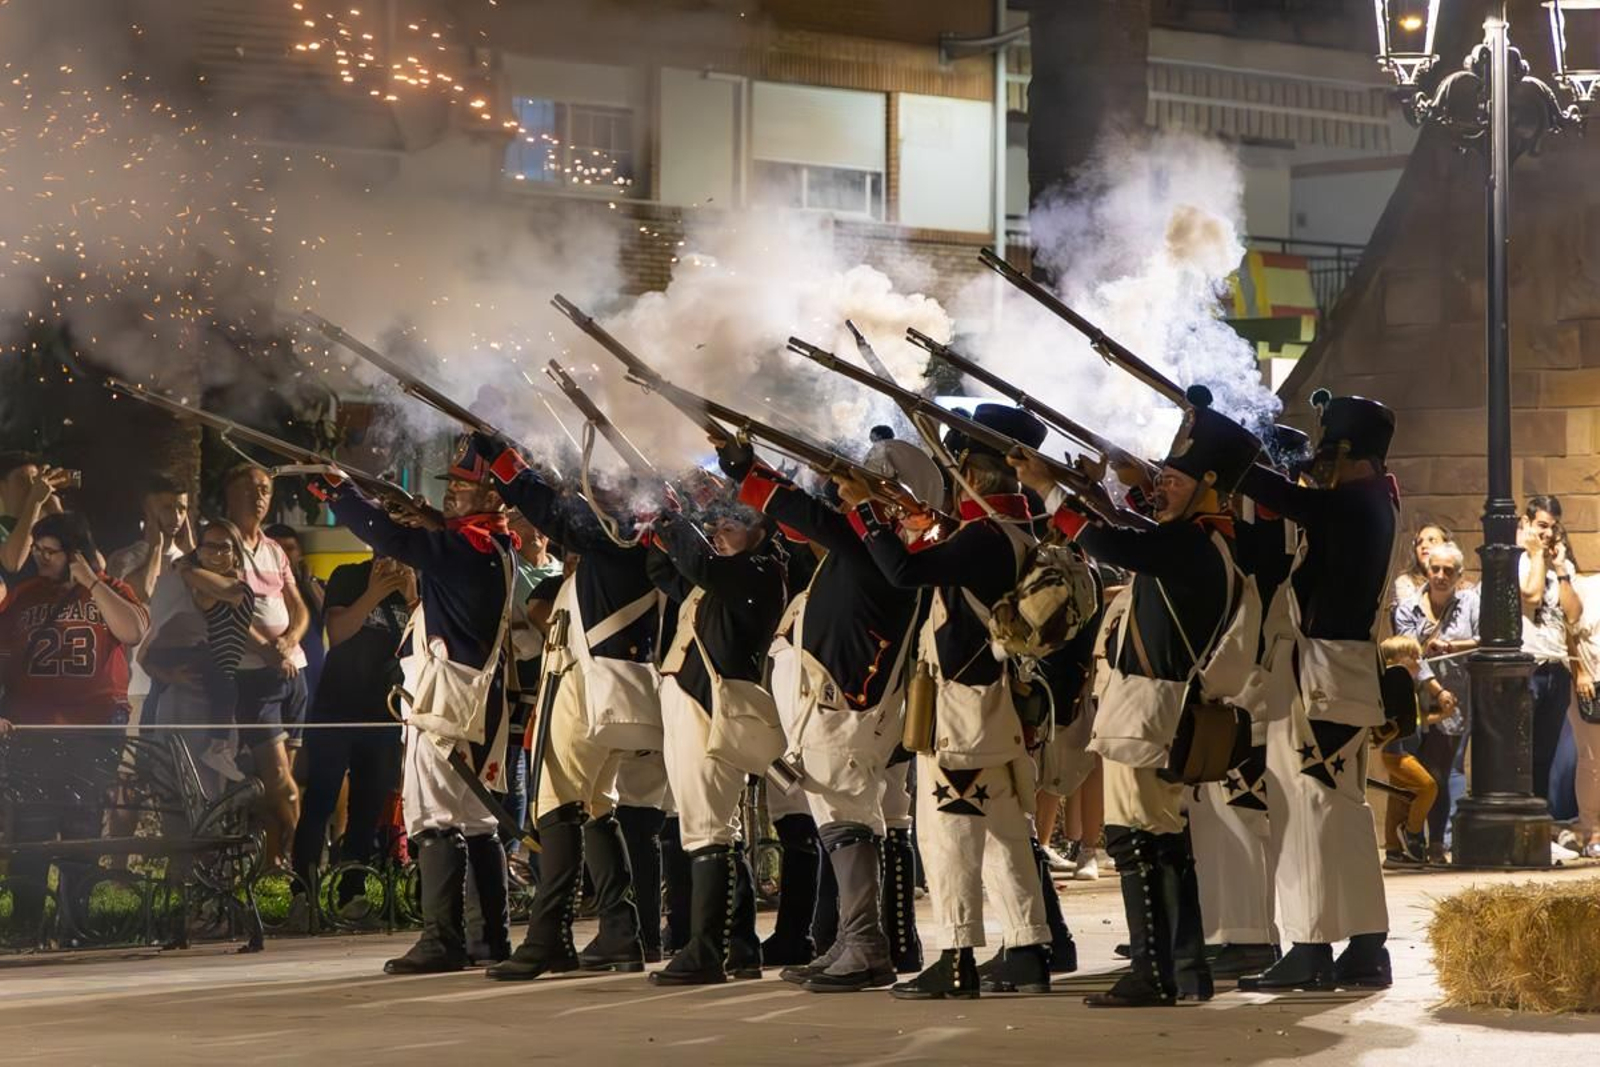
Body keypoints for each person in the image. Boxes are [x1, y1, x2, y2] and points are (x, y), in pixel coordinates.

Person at [1015, 394, 1262, 1008]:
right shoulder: (1202, 541)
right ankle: (1184, 969)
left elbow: (1116, 546)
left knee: (1138, 845)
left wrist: (1050, 490)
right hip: (1155, 710)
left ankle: (1153, 974)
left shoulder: (1192, 544)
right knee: (1160, 842)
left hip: (1150, 711)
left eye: (1172, 480)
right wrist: (1111, 491)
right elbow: (1136, 535)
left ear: (1210, 485)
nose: (1162, 487)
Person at [840, 404, 1053, 1001]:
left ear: (972, 471)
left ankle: (956, 955)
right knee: (1008, 831)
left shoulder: (985, 535)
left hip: (962, 706)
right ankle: (1028, 951)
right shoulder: (1011, 526)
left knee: (947, 833)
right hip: (992, 702)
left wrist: (863, 510)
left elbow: (902, 573)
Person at [715, 433, 928, 992]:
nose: (850, 495)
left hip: (845, 708)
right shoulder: (866, 544)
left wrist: (745, 468)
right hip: (830, 708)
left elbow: (805, 512)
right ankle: (850, 939)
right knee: (839, 823)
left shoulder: (879, 546)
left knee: (846, 822)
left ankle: (864, 944)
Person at [469, 434, 664, 984]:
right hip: (602, 690)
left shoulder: (616, 538)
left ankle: (547, 937)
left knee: (555, 807)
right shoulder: (630, 540)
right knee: (596, 807)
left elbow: (546, 509)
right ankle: (622, 934)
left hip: (585, 691)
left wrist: (502, 460)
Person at [322, 444, 517, 975]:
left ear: (493, 495)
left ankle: (442, 940)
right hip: (475, 694)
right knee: (477, 821)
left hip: (445, 697)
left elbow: (392, 540)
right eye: (450, 484)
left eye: (463, 486)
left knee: (432, 817)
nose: (450, 491)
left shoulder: (467, 548)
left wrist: (339, 493)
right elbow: (420, 534)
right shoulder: (487, 544)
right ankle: (488, 939)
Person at [1236, 390, 1398, 992]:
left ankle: (1307, 946)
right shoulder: (1370, 500)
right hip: (1340, 673)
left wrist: (1222, 453)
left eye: (1328, 454)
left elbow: (1281, 497)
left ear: (1349, 455)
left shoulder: (1355, 504)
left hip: (1322, 675)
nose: (1318, 465)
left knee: (1303, 810)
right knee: (1343, 812)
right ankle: (1365, 946)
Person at [644, 493, 787, 986]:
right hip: (691, 703)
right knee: (712, 829)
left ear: (761, 534)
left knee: (708, 830)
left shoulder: (760, 571)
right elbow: (664, 568)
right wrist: (659, 513)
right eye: (717, 525)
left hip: (711, 706)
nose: (721, 530)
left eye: (733, 525)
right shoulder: (719, 573)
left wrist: (668, 515)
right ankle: (741, 947)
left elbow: (696, 562)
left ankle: (708, 950)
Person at [0, 511, 148, 940]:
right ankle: (26, 924)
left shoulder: (110, 591)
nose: (41, 559)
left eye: (51, 552)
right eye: (38, 551)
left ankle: (76, 923)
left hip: (95, 727)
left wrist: (93, 582)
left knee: (82, 824)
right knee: (32, 827)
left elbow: (133, 630)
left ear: (75, 555)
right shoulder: (25, 596)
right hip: (33, 730)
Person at [289, 552, 414, 918]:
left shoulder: (417, 583)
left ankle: (352, 892)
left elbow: (419, 644)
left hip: (384, 712)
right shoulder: (349, 575)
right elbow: (338, 632)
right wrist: (374, 592)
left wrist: (410, 594)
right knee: (321, 801)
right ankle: (304, 891)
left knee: (367, 808)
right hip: (337, 708)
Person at [221, 465, 310, 868]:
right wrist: (267, 649)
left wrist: (289, 641)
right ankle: (300, 869)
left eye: (265, 490)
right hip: (255, 675)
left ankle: (274, 863)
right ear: (230, 491)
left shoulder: (274, 547)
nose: (259, 497)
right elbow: (225, 608)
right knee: (280, 785)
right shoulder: (222, 541)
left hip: (293, 671)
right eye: (251, 488)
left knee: (286, 781)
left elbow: (298, 605)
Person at [1393, 541, 1477, 861]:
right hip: (1417, 698)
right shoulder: (1406, 608)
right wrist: (1436, 690)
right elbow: (1410, 657)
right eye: (1435, 569)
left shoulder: (1470, 603)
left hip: (1454, 701)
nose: (1440, 575)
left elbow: (1487, 639)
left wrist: (1452, 647)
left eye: (1448, 570)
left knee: (1439, 771)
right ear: (1426, 570)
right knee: (1415, 772)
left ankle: (1436, 844)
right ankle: (1405, 840)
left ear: (1458, 574)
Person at [1519, 495, 1581, 812]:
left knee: (1548, 750)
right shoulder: (1519, 559)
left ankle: (1542, 826)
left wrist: (1560, 569)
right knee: (1524, 751)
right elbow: (1531, 595)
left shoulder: (1561, 565)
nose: (1547, 534)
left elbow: (1573, 613)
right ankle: (1524, 822)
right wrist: (1535, 553)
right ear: (1527, 523)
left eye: (1553, 528)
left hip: (1556, 665)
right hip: (1528, 664)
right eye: (1541, 525)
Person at [1374, 635, 1439, 867]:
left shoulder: (1409, 687)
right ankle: (1412, 832)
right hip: (1396, 752)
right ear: (1392, 662)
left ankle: (1394, 851)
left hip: (1403, 749)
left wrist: (1442, 715)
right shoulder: (1394, 688)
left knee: (1399, 800)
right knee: (1428, 787)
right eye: (1411, 655)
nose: (1417, 659)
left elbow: (1417, 722)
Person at [107, 474, 194, 605]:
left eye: (182, 509)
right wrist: (156, 548)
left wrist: (192, 555)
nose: (176, 517)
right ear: (147, 509)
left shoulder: (186, 558)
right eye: (167, 508)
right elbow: (142, 594)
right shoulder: (124, 558)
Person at [265, 523, 327, 706]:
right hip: (272, 672)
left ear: (300, 553)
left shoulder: (313, 586)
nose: (283, 554)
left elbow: (331, 617)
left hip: (311, 674)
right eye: (276, 547)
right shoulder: (259, 590)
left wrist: (310, 584)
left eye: (290, 548)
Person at [0, 452, 73, 580]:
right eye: (22, 480)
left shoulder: (48, 527)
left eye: (35, 481)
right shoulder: (2, 527)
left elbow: (97, 565)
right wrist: (34, 501)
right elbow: (13, 563)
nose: (32, 487)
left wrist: (57, 513)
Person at [1391, 522, 1451, 617]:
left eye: (1432, 540)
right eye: (1419, 542)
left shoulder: (1463, 588)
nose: (1424, 545)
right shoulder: (1405, 583)